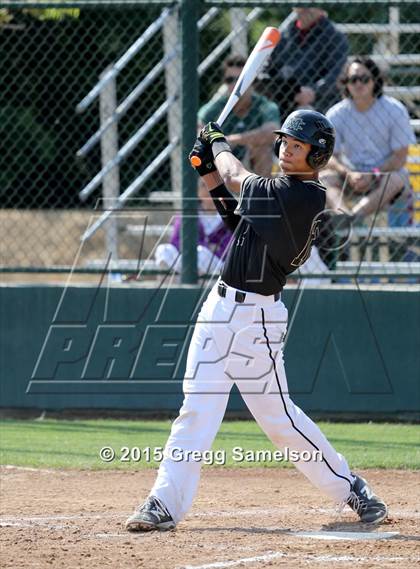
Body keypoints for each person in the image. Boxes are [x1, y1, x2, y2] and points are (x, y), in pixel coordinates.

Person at [125, 109, 388, 532]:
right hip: (218, 308)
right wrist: (207, 171)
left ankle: (352, 488)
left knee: (279, 420)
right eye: (285, 141)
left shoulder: (306, 198)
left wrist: (216, 143)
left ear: (317, 156)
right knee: (195, 409)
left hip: (256, 319)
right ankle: (164, 503)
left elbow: (236, 176)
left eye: (297, 145)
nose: (286, 148)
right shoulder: (280, 190)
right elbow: (236, 218)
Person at [322, 56, 416, 226]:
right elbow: (328, 156)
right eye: (353, 79)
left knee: (399, 177)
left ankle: (352, 219)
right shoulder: (336, 113)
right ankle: (341, 215)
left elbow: (400, 157)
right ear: (346, 83)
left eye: (364, 79)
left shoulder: (394, 109)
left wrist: (373, 174)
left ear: (375, 81)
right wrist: (348, 173)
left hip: (382, 175)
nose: (358, 84)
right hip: (350, 175)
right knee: (325, 178)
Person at [198, 54, 280, 177]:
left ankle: (262, 194)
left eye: (240, 80)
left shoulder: (264, 105)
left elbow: (271, 132)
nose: (235, 85)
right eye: (230, 80)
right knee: (205, 156)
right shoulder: (217, 107)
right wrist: (220, 146)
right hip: (223, 162)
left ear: (252, 80)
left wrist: (233, 140)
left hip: (252, 166)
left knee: (262, 150)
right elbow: (199, 131)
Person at [262, 7, 348, 116]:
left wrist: (313, 91)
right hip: (282, 96)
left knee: (305, 114)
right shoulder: (286, 33)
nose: (305, 8)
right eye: (301, 4)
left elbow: (335, 75)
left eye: (310, 4)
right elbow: (268, 68)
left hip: (318, 102)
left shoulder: (335, 36)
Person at [154, 180, 233, 276]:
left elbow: (229, 247)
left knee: (200, 254)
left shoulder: (230, 214)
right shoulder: (188, 212)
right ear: (198, 192)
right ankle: (167, 289)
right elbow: (175, 241)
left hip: (218, 261)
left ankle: (195, 289)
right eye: (204, 185)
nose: (209, 189)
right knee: (163, 250)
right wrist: (207, 246)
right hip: (187, 259)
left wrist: (202, 247)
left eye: (213, 185)